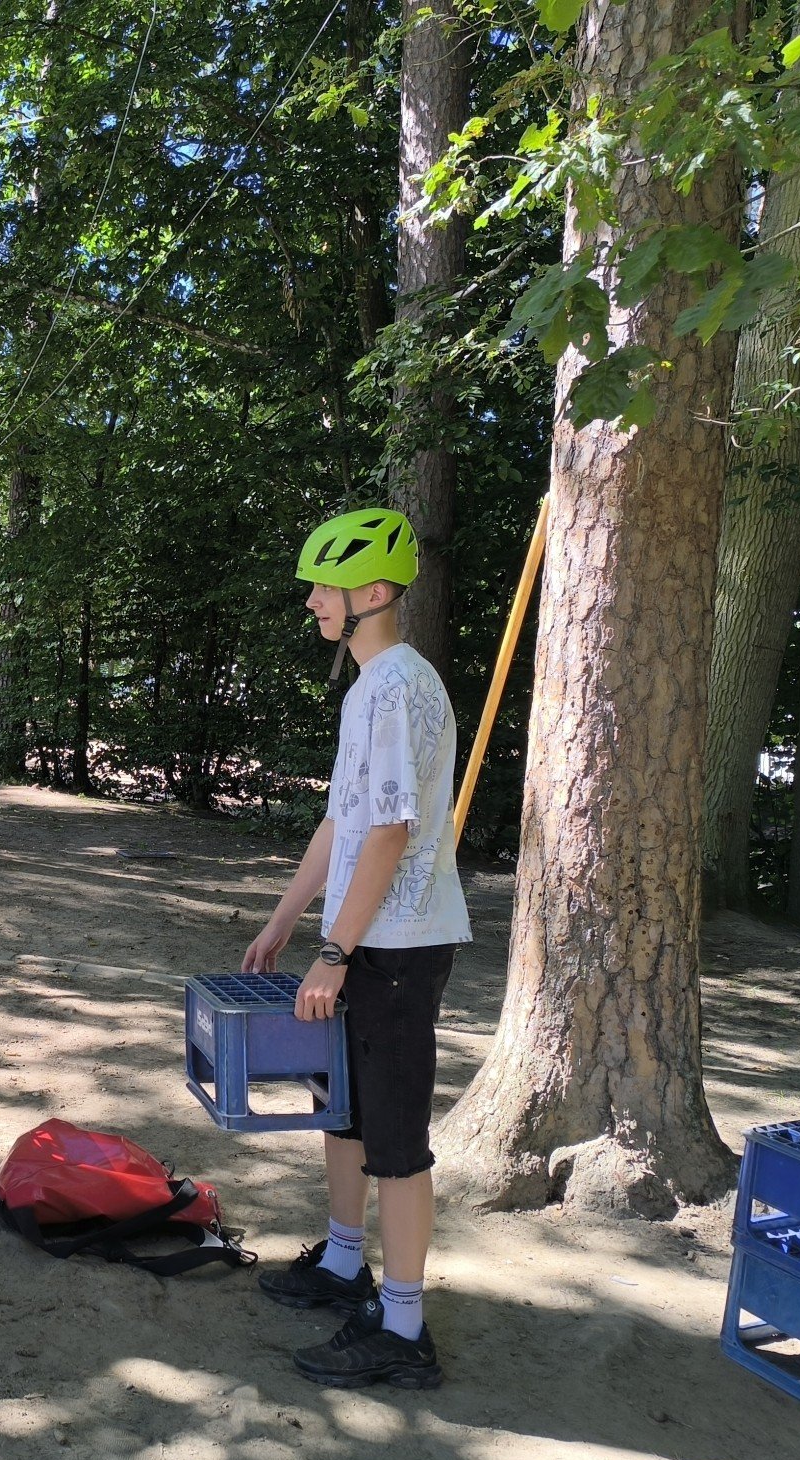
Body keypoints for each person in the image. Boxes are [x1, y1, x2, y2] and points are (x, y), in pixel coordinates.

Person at [241, 506, 471, 1389]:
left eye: (323, 588)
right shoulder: (368, 686)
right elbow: (341, 822)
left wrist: (335, 954)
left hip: (396, 948)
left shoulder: (399, 687)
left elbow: (390, 833)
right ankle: (345, 1263)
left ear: (372, 593)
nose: (311, 602)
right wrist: (284, 921)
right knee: (343, 1109)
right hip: (362, 940)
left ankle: (405, 1329)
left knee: (396, 1138)